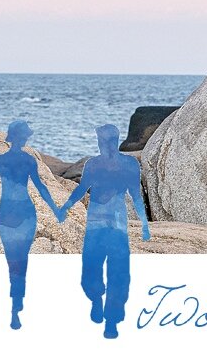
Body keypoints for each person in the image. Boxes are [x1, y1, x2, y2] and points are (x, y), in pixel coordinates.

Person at [58, 123, 152, 338]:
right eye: (100, 141)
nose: (103, 145)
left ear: (114, 141)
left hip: (118, 224)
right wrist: (65, 207)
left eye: (106, 141)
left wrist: (145, 225)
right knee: (90, 270)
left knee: (118, 272)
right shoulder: (93, 164)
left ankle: (112, 319)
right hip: (95, 222)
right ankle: (96, 298)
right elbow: (82, 189)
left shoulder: (129, 164)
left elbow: (136, 196)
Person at [0, 120, 64, 330]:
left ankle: (15, 307)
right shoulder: (25, 160)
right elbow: (39, 187)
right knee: (20, 260)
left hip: (11, 211)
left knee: (14, 260)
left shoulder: (2, 160)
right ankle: (16, 306)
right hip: (22, 211)